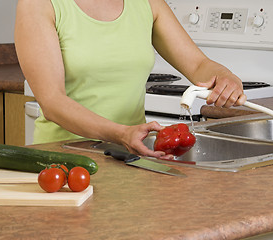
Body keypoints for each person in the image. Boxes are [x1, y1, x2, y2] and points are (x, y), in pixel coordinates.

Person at [15, 0, 247, 159]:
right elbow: (53, 101)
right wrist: (120, 133)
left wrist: (225, 77)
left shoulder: (147, 4)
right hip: (66, 158)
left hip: (132, 157)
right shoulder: (39, 5)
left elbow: (198, 65)